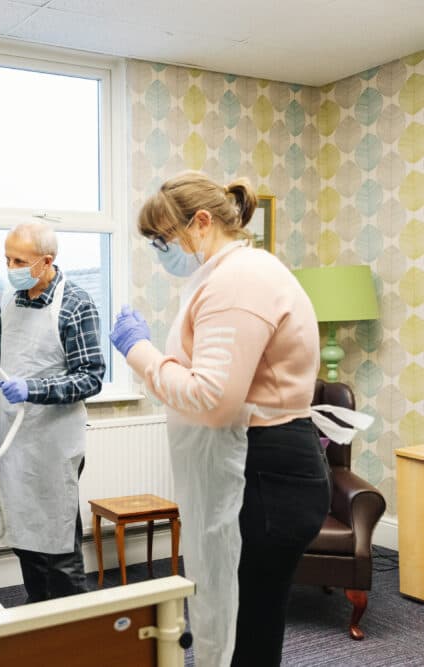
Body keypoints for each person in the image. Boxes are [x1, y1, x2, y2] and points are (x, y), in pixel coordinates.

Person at [109, 172, 329, 667]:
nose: (159, 251)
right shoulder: (225, 274)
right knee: (247, 616)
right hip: (264, 465)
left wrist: (139, 353)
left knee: (248, 622)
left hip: (268, 473)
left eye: (161, 239)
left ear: (201, 222)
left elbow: (213, 399)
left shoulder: (239, 280)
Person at [0, 222, 105, 603]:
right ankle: (38, 614)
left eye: (19, 260)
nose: (10, 266)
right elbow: (3, 356)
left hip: (54, 440)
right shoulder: (9, 300)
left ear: (46, 262)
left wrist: (33, 388)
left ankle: (75, 626)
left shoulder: (76, 305)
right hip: (15, 437)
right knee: (26, 539)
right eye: (7, 258)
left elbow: (91, 378)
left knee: (58, 543)